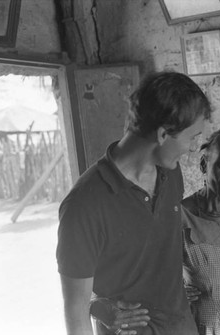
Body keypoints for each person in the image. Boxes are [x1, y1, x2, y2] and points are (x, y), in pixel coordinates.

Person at [56, 71, 211, 335]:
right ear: (163, 135)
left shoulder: (170, 173)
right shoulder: (83, 206)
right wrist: (97, 305)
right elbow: (75, 312)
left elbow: (157, 250)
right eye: (192, 137)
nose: (193, 147)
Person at [89, 128, 220, 335]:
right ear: (204, 164)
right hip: (202, 328)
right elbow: (125, 275)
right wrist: (170, 291)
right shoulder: (175, 216)